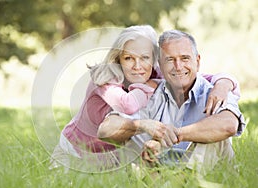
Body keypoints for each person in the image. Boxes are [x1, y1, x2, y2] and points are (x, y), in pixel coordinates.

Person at [51, 25, 240, 171]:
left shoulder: (154, 73)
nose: (137, 66)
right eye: (128, 58)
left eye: (144, 58)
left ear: (154, 59)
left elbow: (191, 75)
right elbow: (128, 104)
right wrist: (148, 89)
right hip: (76, 150)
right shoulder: (105, 79)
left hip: (113, 155)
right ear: (118, 59)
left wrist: (223, 83)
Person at [97, 30, 245, 175]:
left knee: (212, 135)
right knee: (129, 135)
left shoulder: (216, 92)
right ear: (160, 65)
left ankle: (180, 186)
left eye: (185, 58)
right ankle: (162, 187)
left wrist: (169, 137)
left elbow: (229, 125)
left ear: (197, 61)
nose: (178, 66)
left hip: (210, 175)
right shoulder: (152, 93)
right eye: (170, 59)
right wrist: (142, 125)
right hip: (163, 173)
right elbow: (105, 130)